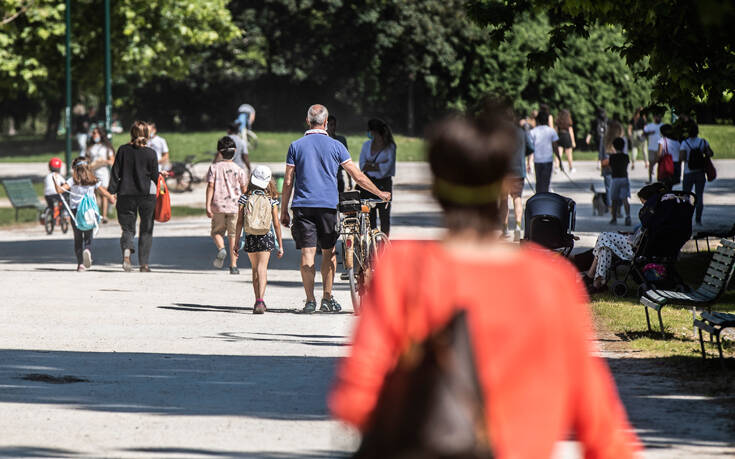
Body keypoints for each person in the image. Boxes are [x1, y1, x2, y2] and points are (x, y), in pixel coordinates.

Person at [330, 106, 640, 458]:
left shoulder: (403, 269)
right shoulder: (550, 280)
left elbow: (355, 401)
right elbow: (600, 425)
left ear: (436, 190)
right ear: (503, 189)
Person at [280, 104, 391, 314]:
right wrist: (379, 193)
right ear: (325, 122)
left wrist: (283, 210)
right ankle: (327, 298)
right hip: (328, 207)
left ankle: (310, 301)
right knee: (329, 252)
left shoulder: (295, 146)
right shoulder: (336, 146)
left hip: (302, 206)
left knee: (307, 253)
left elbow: (287, 181)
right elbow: (357, 176)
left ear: (307, 121)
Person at [584, 183, 666, 291]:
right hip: (635, 242)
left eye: (643, 202)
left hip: (636, 249)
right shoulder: (659, 213)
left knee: (603, 236)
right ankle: (597, 283)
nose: (643, 206)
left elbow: (645, 235)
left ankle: (591, 276)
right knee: (605, 247)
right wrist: (630, 234)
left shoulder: (652, 212)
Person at [109, 121, 161, 272]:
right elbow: (154, 175)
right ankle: (144, 264)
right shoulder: (151, 153)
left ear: (131, 133)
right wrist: (161, 178)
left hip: (125, 194)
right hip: (147, 195)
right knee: (146, 228)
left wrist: (112, 191)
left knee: (127, 228)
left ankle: (127, 250)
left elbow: (115, 172)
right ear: (147, 134)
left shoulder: (123, 150)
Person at [235, 166, 284, 314]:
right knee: (263, 269)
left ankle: (257, 298)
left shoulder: (244, 198)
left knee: (255, 269)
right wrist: (280, 245)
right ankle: (260, 301)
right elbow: (276, 224)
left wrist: (237, 242)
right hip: (266, 236)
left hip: (250, 236)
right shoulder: (272, 200)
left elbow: (239, 222)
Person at [53, 157, 116, 272]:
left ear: (75, 169)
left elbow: (59, 191)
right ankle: (87, 249)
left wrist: (54, 180)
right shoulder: (93, 180)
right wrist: (111, 197)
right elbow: (103, 191)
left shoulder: (72, 181)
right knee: (88, 234)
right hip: (89, 212)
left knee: (78, 238)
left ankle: (80, 264)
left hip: (75, 212)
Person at [206, 136, 249, 274]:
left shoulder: (214, 168)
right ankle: (234, 265)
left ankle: (221, 249)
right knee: (233, 235)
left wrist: (208, 205)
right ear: (235, 151)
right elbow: (244, 190)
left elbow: (210, 187)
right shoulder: (239, 169)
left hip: (218, 206)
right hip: (235, 207)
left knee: (216, 232)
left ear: (219, 152)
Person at [359, 118, 396, 236]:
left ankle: (384, 245)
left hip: (384, 183)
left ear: (374, 131)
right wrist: (378, 165)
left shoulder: (390, 147)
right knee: (370, 216)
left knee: (385, 216)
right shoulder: (366, 145)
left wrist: (371, 165)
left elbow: (386, 169)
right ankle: (372, 245)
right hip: (368, 183)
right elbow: (362, 166)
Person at [501, 113, 533, 241]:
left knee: (503, 199)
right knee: (517, 197)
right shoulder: (521, 132)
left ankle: (505, 229)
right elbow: (531, 147)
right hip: (518, 170)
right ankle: (518, 227)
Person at [679, 121, 712, 225]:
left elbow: (682, 158)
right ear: (697, 132)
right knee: (699, 196)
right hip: (700, 172)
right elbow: (710, 153)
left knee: (686, 196)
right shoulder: (703, 142)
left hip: (688, 172)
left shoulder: (685, 143)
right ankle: (698, 219)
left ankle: (686, 218)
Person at [85, 126, 115, 223]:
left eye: (96, 133)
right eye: (93, 133)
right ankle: (94, 213)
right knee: (93, 194)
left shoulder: (106, 148)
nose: (94, 135)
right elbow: (86, 160)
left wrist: (103, 161)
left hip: (103, 172)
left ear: (100, 135)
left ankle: (104, 215)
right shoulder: (90, 148)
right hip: (93, 172)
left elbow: (112, 161)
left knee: (103, 193)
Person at [528, 111, 558, 193]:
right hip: (548, 160)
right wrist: (559, 159)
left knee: (539, 182)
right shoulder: (551, 131)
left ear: (537, 120)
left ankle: (539, 198)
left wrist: (528, 162)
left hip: (537, 160)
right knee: (546, 183)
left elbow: (530, 148)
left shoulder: (533, 131)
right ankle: (545, 199)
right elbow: (555, 146)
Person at [605, 137, 631, 225]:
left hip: (615, 179)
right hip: (624, 178)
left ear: (614, 147)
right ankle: (628, 217)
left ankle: (614, 218)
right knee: (625, 199)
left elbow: (609, 167)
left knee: (614, 200)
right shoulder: (626, 156)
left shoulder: (612, 157)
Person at [327, 115, 350, 192]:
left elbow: (346, 161)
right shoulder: (319, 142)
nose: (333, 127)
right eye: (331, 125)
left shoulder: (341, 140)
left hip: (338, 178)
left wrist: (349, 180)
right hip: (325, 180)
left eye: (334, 125)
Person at [656, 124, 681, 189]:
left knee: (664, 187)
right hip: (676, 165)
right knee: (670, 185)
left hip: (666, 165)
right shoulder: (677, 142)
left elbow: (659, 154)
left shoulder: (662, 140)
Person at [644, 112, 663, 183]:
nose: (659, 118)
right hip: (651, 148)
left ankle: (659, 179)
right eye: (657, 117)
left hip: (660, 148)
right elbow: (644, 133)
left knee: (659, 163)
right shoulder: (649, 126)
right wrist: (649, 133)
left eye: (660, 117)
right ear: (654, 118)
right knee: (651, 163)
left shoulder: (663, 125)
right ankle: (650, 179)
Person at [555, 109, 576, 173]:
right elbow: (571, 132)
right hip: (567, 136)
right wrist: (573, 141)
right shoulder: (568, 122)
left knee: (558, 153)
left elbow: (555, 131)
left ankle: (556, 167)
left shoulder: (558, 122)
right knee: (569, 153)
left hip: (560, 136)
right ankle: (571, 167)